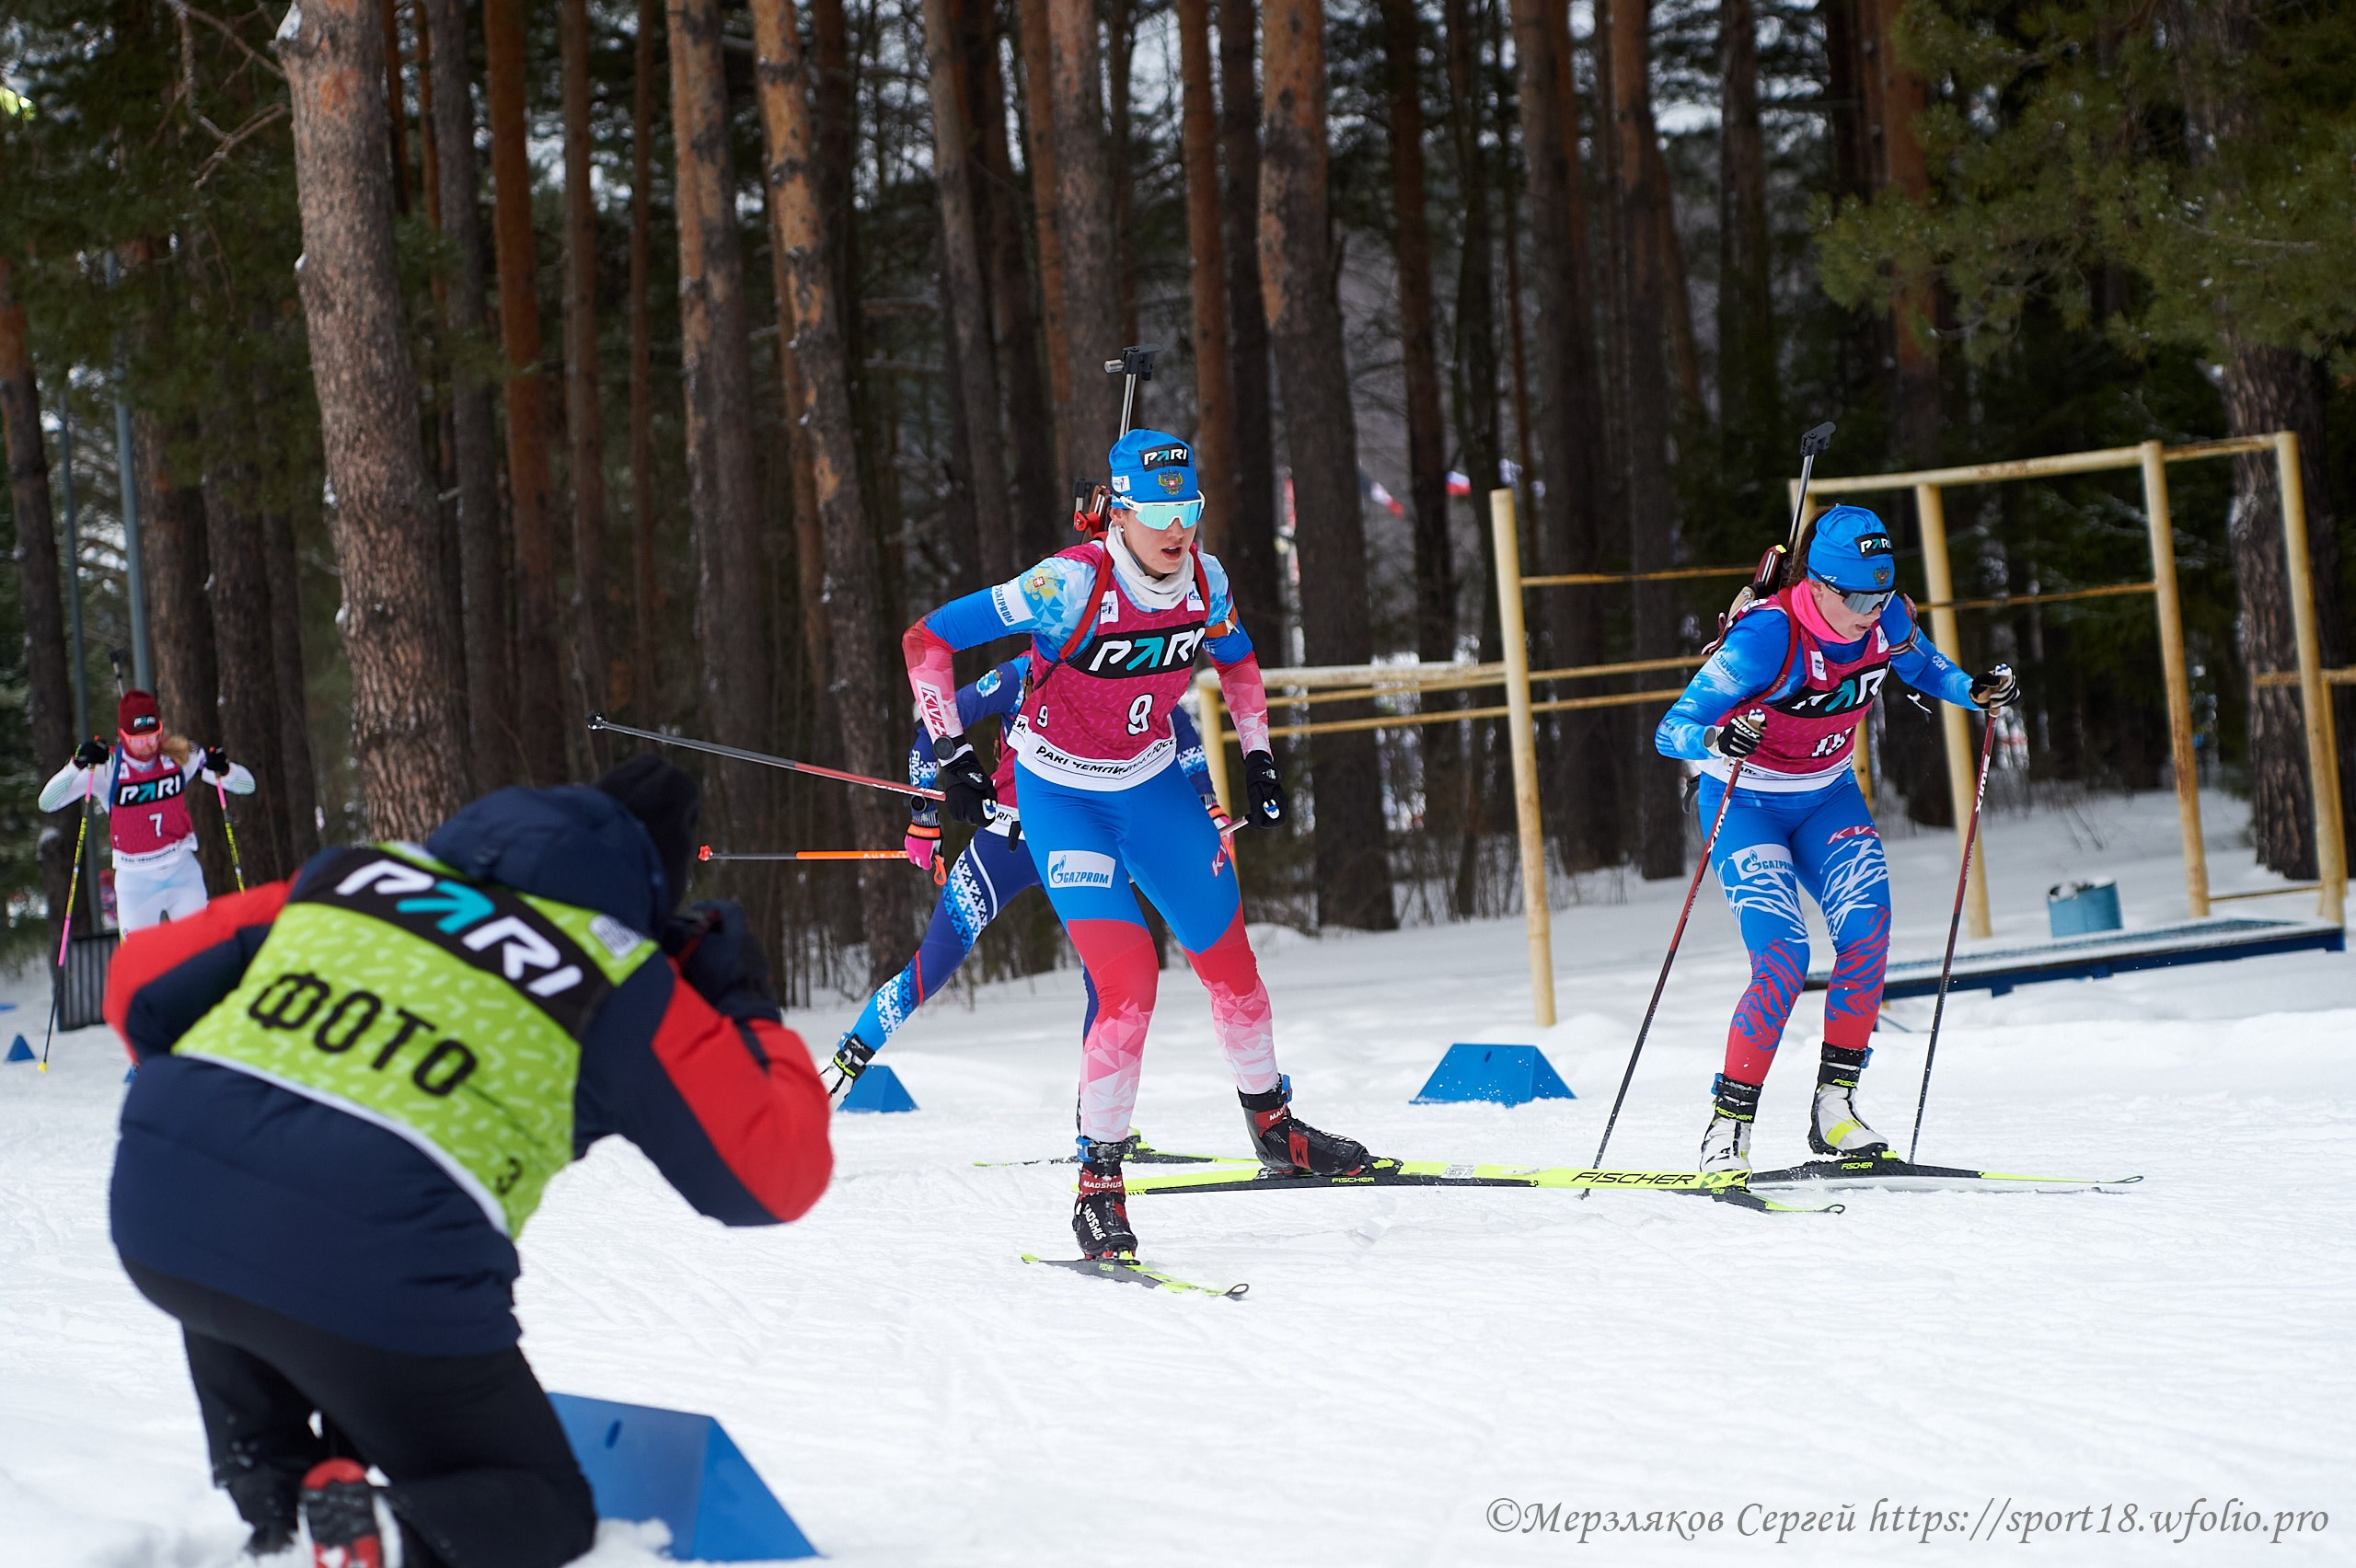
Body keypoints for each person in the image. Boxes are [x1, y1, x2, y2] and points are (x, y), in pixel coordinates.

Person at [103, 757, 832, 1566]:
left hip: (164, 1206)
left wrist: (236, 1093)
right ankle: (383, 1530)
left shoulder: (357, 874)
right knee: (545, 1504)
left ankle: (278, 1510)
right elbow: (774, 1174)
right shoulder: (620, 976)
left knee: (244, 1237)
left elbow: (137, 984)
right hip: (379, 1258)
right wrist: (744, 1008)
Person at [901, 428, 1375, 1260]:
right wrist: (950, 753)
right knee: (1128, 984)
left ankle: (1274, 1127)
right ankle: (1097, 1188)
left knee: (1231, 959)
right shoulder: (1065, 583)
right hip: (1061, 797)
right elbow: (927, 641)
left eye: (1189, 506)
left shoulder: (1207, 577)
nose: (1178, 526)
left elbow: (1238, 660)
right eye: (1158, 509)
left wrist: (1259, 759)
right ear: (1120, 513)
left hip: (1151, 785)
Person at [1655, 504, 2020, 1172]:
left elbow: (1925, 668)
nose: (1868, 609)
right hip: (1747, 802)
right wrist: (1715, 738)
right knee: (1784, 959)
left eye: (1879, 594)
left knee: (1866, 930)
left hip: (1827, 796)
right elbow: (1671, 727)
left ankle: (1835, 1111)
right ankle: (1727, 1129)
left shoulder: (1885, 616)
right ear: (1818, 584)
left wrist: (1976, 691)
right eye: (1854, 596)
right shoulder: (1769, 636)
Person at [826, 654, 1230, 1098]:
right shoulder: (1020, 675)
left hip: (1082, 848)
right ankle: (848, 1060)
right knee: (934, 964)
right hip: (1005, 842)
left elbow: (1183, 730)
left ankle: (1100, 1123)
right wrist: (923, 817)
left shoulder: (1118, 669)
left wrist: (1205, 800)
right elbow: (931, 729)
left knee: (1110, 979)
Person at [40, 688, 257, 930]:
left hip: (182, 873)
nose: (147, 746)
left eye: (153, 737)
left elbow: (247, 785)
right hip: (136, 882)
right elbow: (48, 803)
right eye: (137, 740)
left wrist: (225, 770)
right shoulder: (107, 768)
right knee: (141, 963)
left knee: (199, 951)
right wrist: (76, 766)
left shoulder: (179, 757)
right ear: (122, 736)